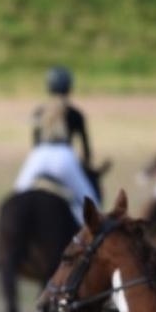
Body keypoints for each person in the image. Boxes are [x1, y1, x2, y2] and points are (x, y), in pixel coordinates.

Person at [12, 65, 99, 213]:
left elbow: (35, 143)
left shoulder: (39, 111)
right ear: (69, 87)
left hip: (39, 155)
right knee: (92, 204)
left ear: (49, 86)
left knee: (16, 197)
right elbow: (86, 151)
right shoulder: (75, 114)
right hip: (65, 156)